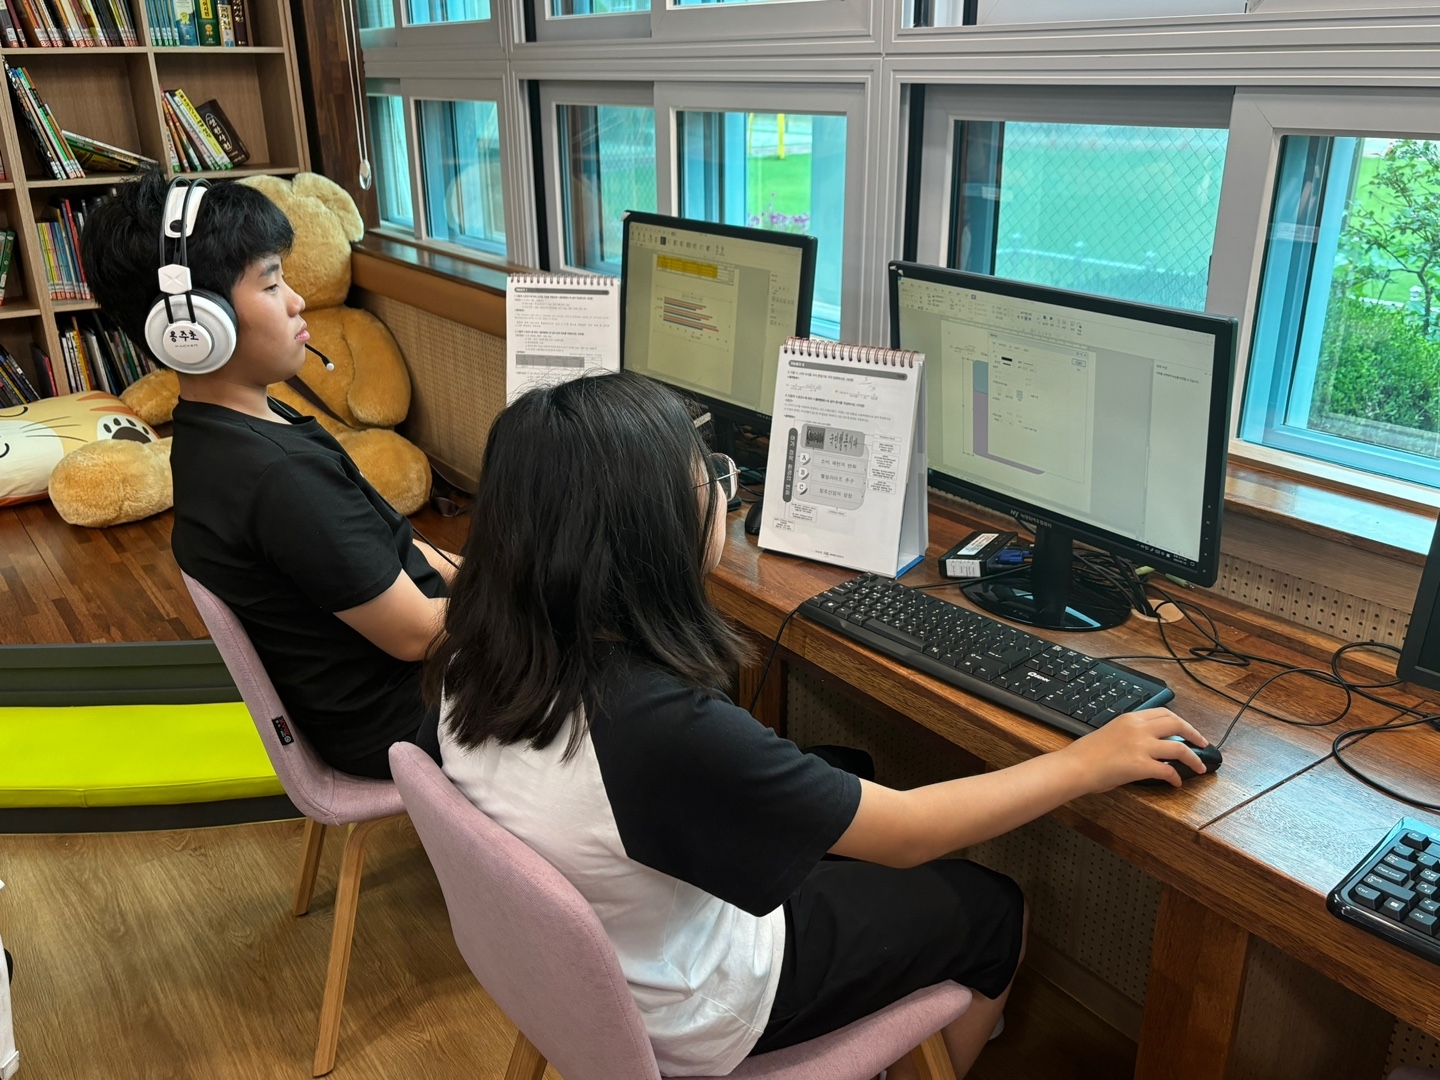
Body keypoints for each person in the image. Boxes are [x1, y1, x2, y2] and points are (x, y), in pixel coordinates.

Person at [430, 371, 1209, 1078]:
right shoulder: (654, 726)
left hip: (585, 973)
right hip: (699, 1008)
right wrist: (1086, 761)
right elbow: (907, 833)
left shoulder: (479, 645)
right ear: (649, 533)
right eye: (710, 481)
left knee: (843, 766)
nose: (722, 496)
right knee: (991, 906)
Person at [81, 170, 456, 778]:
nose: (297, 300)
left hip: (385, 693)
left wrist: (493, 577)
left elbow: (399, 546)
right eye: (272, 282)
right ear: (193, 327)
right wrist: (535, 606)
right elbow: (416, 635)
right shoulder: (277, 477)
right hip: (410, 717)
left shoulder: (218, 429)